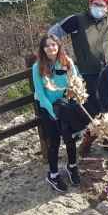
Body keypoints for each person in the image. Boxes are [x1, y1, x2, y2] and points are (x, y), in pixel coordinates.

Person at [48, 0, 108, 156]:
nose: (99, 7)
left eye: (102, 5)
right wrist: (59, 54)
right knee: (93, 109)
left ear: (107, 7)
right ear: (90, 3)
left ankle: (103, 142)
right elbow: (53, 33)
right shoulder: (77, 20)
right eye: (96, 4)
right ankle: (89, 139)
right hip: (87, 74)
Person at [32, 35, 81, 192]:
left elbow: (76, 80)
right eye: (47, 46)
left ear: (58, 46)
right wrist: (52, 112)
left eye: (53, 45)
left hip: (66, 106)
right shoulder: (37, 67)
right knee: (54, 142)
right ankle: (53, 174)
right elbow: (40, 92)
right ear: (43, 49)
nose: (51, 48)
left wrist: (74, 99)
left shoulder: (66, 62)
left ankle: (72, 166)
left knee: (70, 138)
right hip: (48, 108)